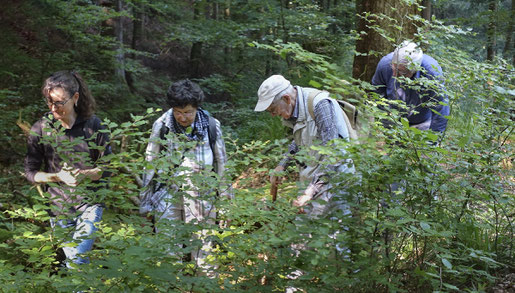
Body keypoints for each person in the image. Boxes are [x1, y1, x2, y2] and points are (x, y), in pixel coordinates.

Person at [140, 79, 230, 275]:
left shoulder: (211, 126)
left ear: (197, 107)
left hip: (202, 196)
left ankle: (204, 285)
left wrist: (225, 203)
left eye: (188, 112)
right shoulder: (161, 125)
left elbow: (221, 164)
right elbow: (150, 163)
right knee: (167, 249)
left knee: (204, 251)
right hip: (166, 195)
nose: (182, 117)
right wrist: (145, 203)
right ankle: (171, 284)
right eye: (178, 112)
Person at [24, 70, 111, 268]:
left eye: (59, 102)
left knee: (77, 260)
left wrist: (85, 175)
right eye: (49, 102)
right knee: (69, 263)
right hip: (59, 207)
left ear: (75, 98)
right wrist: (56, 177)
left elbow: (107, 168)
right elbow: (30, 172)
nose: (53, 108)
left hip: (90, 203)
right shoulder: (41, 129)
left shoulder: (94, 126)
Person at [254, 74, 356, 218]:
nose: (272, 115)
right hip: (314, 180)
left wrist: (311, 191)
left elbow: (333, 154)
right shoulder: (295, 109)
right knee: (303, 231)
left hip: (336, 180)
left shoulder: (320, 105)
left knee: (333, 234)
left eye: (273, 109)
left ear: (286, 99)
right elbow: (302, 138)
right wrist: (282, 164)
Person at [371, 41, 450, 133]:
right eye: (393, 68)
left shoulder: (432, 73)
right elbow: (377, 92)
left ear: (414, 70)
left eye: (401, 72)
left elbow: (441, 109)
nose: (394, 74)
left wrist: (432, 141)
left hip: (421, 122)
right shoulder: (384, 64)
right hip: (392, 119)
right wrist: (382, 119)